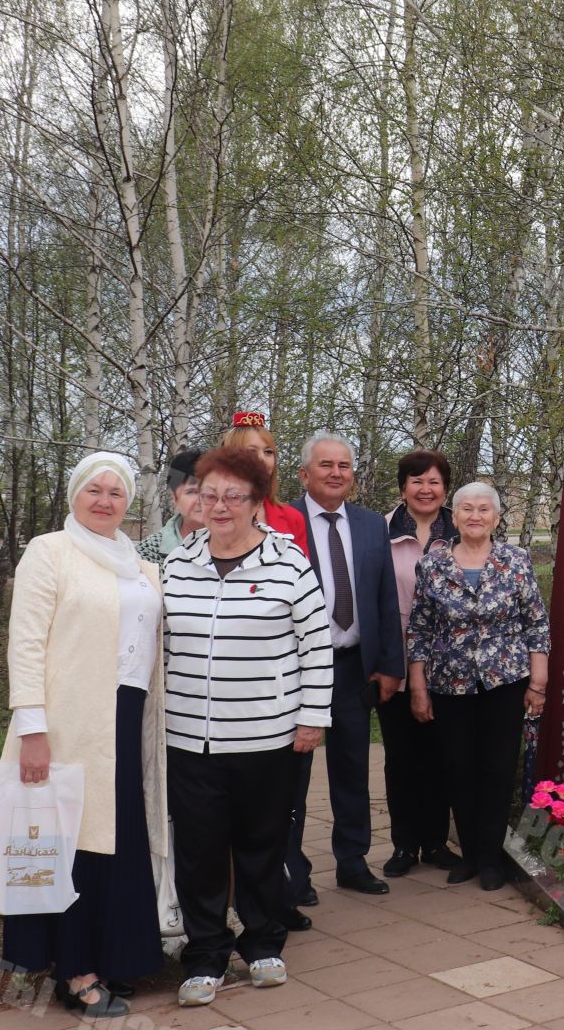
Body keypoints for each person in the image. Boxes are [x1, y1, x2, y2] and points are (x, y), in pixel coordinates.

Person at [162, 446, 331, 1009]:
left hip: (268, 737)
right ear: (194, 499)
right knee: (200, 852)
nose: (219, 505)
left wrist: (313, 717)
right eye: (208, 494)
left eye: (233, 495)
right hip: (190, 738)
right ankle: (205, 955)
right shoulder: (176, 564)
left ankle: (263, 945)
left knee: (261, 846)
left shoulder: (288, 563)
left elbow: (316, 646)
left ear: (257, 502)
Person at [0, 451, 166, 1019]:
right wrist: (32, 729)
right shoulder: (50, 552)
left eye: (116, 493)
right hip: (68, 723)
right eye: (93, 490)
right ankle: (77, 971)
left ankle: (116, 955)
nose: (104, 501)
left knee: (117, 844)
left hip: (127, 720)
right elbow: (25, 643)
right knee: (72, 845)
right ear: (73, 495)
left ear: (130, 502)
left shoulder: (141, 566)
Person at [407, 483, 550, 891]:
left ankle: (492, 858)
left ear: (496, 518)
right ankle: (470, 854)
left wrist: (537, 682)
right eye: (466, 509)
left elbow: (535, 622)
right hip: (449, 685)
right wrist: (417, 684)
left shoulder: (516, 560)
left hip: (504, 681)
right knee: (459, 768)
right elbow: (419, 628)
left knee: (497, 768)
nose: (474, 515)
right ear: (452, 518)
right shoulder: (433, 565)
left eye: (483, 509)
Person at [286, 432, 403, 902]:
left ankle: (353, 862)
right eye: (326, 465)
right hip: (297, 671)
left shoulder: (372, 524)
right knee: (294, 775)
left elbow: (385, 597)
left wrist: (390, 663)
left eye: (345, 465)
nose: (336, 473)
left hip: (356, 668)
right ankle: (294, 870)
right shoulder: (283, 521)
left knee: (353, 768)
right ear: (304, 474)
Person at [382, 449, 462, 878]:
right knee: (401, 756)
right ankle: (403, 845)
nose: (425, 489)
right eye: (416, 481)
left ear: (444, 488)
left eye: (433, 481)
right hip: (396, 661)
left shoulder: (461, 530)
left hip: (451, 665)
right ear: (403, 487)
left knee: (441, 755)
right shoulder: (381, 530)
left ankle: (435, 843)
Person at [222, 412, 310, 556]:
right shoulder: (208, 512)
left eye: (268, 452)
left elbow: (303, 575)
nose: (262, 459)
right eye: (251, 451)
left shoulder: (293, 517)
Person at [137, 448, 204, 568]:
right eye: (191, 491)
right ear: (174, 498)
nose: (201, 500)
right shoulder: (148, 553)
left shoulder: (240, 546)